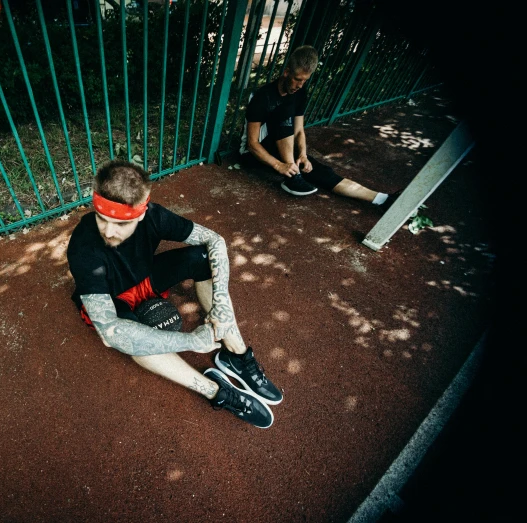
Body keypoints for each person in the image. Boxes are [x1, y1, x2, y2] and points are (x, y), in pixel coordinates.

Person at [66, 160, 283, 429]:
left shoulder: (155, 216)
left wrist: (222, 304)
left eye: (121, 223)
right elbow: (111, 333)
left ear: (142, 212)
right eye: (102, 219)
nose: (109, 231)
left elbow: (215, 241)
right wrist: (191, 341)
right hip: (113, 298)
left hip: (147, 280)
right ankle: (214, 390)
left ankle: (236, 354)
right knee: (131, 337)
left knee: (202, 257)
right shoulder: (83, 247)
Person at [239, 45, 399, 206]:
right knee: (284, 111)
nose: (300, 85)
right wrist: (279, 165)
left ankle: (382, 199)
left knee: (320, 172)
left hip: (282, 147)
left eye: (305, 80)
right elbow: (252, 144)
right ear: (286, 72)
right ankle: (292, 177)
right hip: (254, 153)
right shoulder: (263, 96)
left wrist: (303, 154)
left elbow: (299, 130)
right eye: (297, 79)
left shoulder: (300, 92)